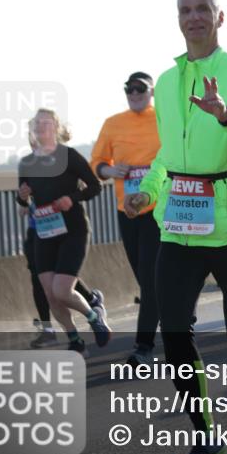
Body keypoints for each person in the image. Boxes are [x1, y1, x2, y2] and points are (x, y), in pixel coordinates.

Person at [124, 0, 227, 454]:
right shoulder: (168, 82)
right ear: (178, 19)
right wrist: (147, 192)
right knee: (174, 334)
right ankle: (206, 440)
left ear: (219, 17)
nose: (194, 18)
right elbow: (168, 154)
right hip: (182, 220)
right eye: (185, 11)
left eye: (202, 10)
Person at [17, 109, 110, 355]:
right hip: (45, 233)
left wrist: (72, 197)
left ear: (57, 128)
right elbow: (24, 200)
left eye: (47, 123)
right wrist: (22, 198)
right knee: (51, 294)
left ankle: (93, 316)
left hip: (74, 230)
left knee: (62, 290)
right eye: (37, 123)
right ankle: (74, 339)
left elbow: (95, 186)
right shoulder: (27, 163)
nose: (41, 127)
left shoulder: (69, 157)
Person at [91, 71, 162, 367]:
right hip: (127, 211)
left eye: (140, 89)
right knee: (145, 278)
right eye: (129, 89)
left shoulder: (164, 118)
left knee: (149, 279)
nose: (134, 94)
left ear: (152, 91)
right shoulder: (113, 123)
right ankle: (178, 312)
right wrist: (110, 171)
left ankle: (143, 347)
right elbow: (96, 162)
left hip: (159, 209)